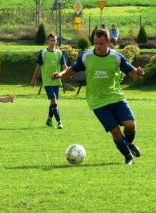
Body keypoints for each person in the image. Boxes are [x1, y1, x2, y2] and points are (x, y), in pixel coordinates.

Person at [51, 28, 144, 165]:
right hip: (97, 102)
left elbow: (133, 73)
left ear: (108, 42)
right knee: (115, 131)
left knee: (130, 125)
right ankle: (128, 157)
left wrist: (139, 72)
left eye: (101, 43)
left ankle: (128, 144)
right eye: (96, 43)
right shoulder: (87, 57)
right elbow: (71, 70)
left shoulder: (116, 57)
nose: (98, 46)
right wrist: (60, 74)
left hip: (116, 97)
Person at [31, 33, 67, 129]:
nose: (52, 42)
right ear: (47, 41)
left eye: (54, 40)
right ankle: (59, 122)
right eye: (51, 40)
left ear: (56, 41)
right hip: (47, 81)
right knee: (54, 101)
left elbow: (64, 67)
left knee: (54, 102)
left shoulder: (59, 53)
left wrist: (68, 74)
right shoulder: (43, 53)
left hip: (56, 81)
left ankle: (49, 120)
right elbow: (38, 67)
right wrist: (33, 79)